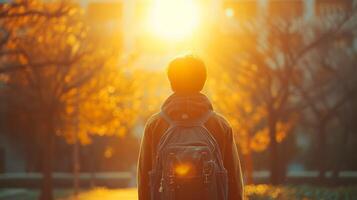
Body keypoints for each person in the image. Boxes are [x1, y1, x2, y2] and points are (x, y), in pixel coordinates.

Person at [138, 54, 244, 200]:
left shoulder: (154, 125)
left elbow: (144, 182)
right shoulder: (220, 125)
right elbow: (234, 183)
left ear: (171, 82)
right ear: (202, 81)